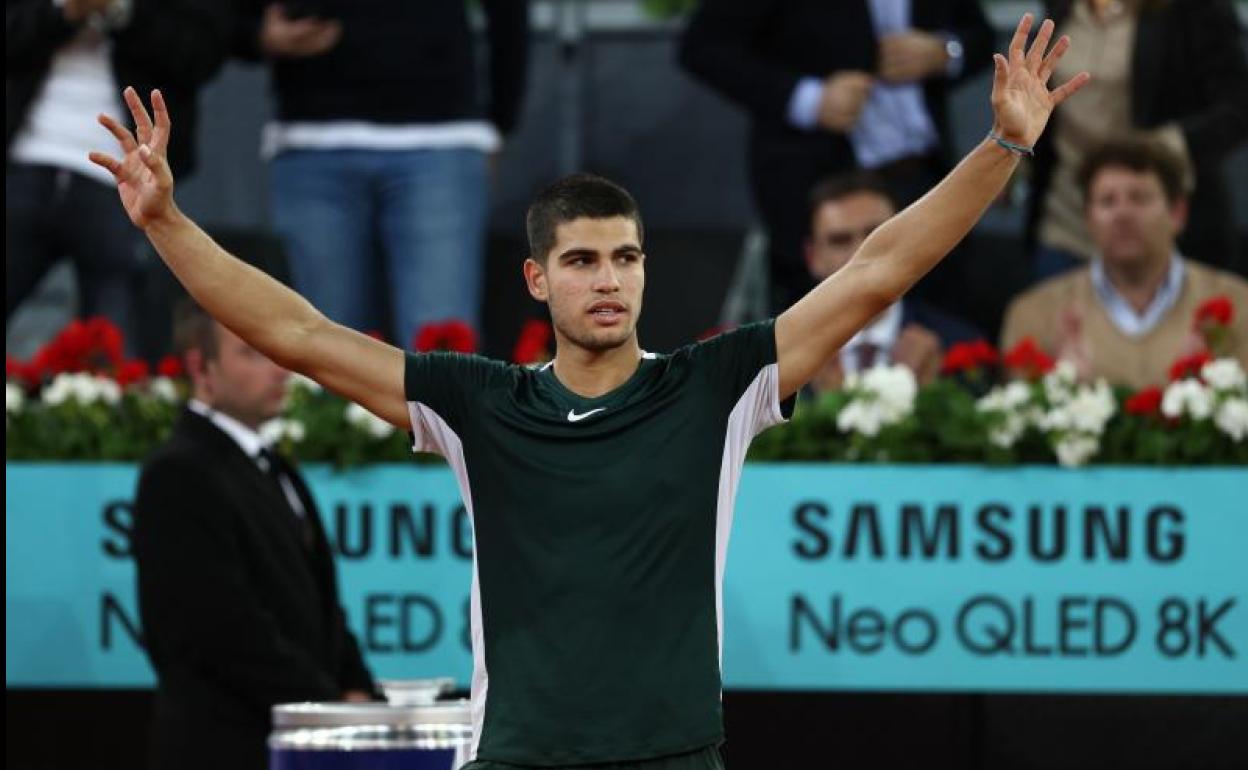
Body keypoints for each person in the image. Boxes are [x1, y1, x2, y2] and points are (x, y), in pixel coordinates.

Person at [92, 15, 1086, 767]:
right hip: (518, 754)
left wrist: (1002, 148)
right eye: (580, 260)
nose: (607, 278)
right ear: (537, 278)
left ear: (647, 270)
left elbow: (876, 269)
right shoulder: (475, 403)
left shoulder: (717, 386)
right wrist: (168, 223)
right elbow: (297, 333)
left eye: (624, 257)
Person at [132, 299, 377, 770]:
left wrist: (358, 689)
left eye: (275, 349)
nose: (279, 368)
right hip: (223, 748)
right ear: (201, 367)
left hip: (292, 742)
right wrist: (328, 707)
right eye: (252, 352)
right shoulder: (179, 474)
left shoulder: (275, 467)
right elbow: (220, 629)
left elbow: (322, 608)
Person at [231, 0, 530, 346]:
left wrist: (500, 120)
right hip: (312, 137)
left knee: (440, 353)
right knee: (327, 354)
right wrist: (252, 33)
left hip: (439, 135)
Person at [678, 0, 994, 312]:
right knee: (823, 334)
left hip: (923, 173)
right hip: (820, 181)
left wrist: (945, 52)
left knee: (942, 327)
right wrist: (808, 100)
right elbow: (703, 46)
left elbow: (979, 35)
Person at [6, 0, 232, 347]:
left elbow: (199, 52)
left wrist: (120, 12)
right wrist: (64, 13)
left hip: (127, 175)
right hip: (22, 161)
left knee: (118, 350)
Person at [1027, 0, 1248, 279]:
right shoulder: (1062, 8)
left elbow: (1237, 108)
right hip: (1068, 218)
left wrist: (1161, 149)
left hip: (1160, 224)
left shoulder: (1192, 9)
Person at [1003, 138, 1248, 389]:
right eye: (1108, 201)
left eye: (1139, 198)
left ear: (1177, 213)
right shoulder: (1035, 313)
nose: (1122, 214)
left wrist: (1214, 391)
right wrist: (1060, 390)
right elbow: (1013, 419)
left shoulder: (1238, 303)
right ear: (1088, 219)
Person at [805, 171, 982, 390]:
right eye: (840, 241)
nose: (861, 252)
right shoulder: (781, 360)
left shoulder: (959, 345)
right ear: (813, 258)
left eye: (878, 234)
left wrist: (928, 394)